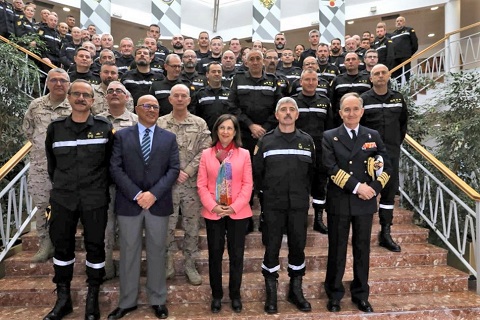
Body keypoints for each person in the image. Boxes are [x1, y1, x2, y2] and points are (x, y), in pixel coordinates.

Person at [44, 79, 114, 320]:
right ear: (69, 97)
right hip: (63, 198)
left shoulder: (105, 128)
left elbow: (110, 164)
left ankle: (92, 298)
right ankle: (63, 299)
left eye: (86, 95)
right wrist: (64, 187)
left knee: (95, 246)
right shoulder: (55, 128)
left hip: (94, 198)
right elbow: (51, 165)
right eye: (77, 94)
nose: (81, 98)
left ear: (93, 100)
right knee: (62, 246)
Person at [108, 94, 179, 320]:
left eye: (156, 106)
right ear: (136, 108)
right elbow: (115, 168)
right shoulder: (121, 136)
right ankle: (127, 301)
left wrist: (153, 194)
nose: (152, 109)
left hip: (158, 203)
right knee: (129, 252)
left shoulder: (168, 138)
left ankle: (157, 299)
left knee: (158, 251)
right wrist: (138, 194)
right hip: (130, 203)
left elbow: (173, 169)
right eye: (147, 105)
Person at [322, 92, 392, 314]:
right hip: (340, 200)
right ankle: (334, 294)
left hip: (365, 201)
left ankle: (361, 294)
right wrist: (357, 187)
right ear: (340, 113)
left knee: (362, 250)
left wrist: (373, 189)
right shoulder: (329, 136)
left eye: (355, 109)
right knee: (337, 250)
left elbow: (386, 166)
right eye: (347, 109)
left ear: (362, 112)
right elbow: (330, 168)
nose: (351, 113)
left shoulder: (373, 135)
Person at [253, 97, 314, 314]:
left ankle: (295, 290)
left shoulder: (307, 141)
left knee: (298, 247)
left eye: (291, 110)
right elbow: (257, 173)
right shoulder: (266, 142)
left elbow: (312, 174)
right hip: (273, 205)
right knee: (271, 248)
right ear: (277, 115)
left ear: (297, 115)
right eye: (283, 109)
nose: (287, 113)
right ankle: (271, 294)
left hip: (298, 206)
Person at [197, 114, 253, 314]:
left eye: (230, 128)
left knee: (236, 255)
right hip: (214, 213)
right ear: (216, 131)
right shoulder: (206, 154)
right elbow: (201, 185)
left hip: (238, 212)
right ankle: (217, 295)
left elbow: (248, 184)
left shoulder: (244, 154)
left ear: (235, 131)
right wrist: (213, 206)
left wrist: (234, 206)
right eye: (222, 128)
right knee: (215, 255)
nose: (226, 132)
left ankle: (235, 295)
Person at [157, 84, 212, 286]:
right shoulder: (161, 123)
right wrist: (172, 172)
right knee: (167, 226)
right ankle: (168, 263)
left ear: (189, 100)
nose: (180, 99)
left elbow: (206, 150)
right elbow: (156, 152)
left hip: (191, 185)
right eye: (176, 96)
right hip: (167, 186)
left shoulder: (199, 123)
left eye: (184, 96)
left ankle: (190, 264)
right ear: (170, 99)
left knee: (192, 226)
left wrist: (187, 170)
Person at [22, 68, 71, 263]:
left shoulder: (75, 106)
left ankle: (64, 242)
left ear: (68, 84)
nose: (58, 84)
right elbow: (28, 131)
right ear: (47, 83)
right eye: (54, 80)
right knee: (42, 206)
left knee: (67, 208)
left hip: (67, 168)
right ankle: (45, 243)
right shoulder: (36, 106)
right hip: (41, 167)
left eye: (63, 80)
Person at [361, 64, 408, 252]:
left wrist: (395, 143)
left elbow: (403, 123)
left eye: (383, 73)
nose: (380, 76)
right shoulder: (364, 99)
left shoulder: (398, 98)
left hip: (390, 154)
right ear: (370, 78)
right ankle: (362, 232)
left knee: (388, 193)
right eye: (376, 74)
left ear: (388, 76)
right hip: (368, 154)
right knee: (366, 191)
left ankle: (385, 232)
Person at [98, 81, 138, 280]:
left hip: (129, 186)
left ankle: (127, 270)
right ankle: (106, 268)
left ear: (127, 97)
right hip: (102, 185)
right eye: (110, 91)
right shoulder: (96, 121)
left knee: (128, 230)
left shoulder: (137, 122)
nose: (114, 93)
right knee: (105, 228)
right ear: (105, 97)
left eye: (119, 91)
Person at [292, 69, 333, 234]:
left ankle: (318, 218)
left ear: (318, 82)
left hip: (320, 151)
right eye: (307, 79)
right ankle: (298, 219)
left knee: (319, 185)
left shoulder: (325, 102)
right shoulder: (293, 102)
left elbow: (330, 128)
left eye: (313, 79)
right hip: (297, 151)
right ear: (301, 82)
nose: (310, 82)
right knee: (298, 185)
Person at [391, 16, 418, 84]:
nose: (399, 22)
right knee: (396, 75)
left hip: (405, 56)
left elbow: (415, 43)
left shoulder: (409, 30)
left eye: (400, 21)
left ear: (404, 22)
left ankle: (408, 86)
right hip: (396, 57)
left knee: (406, 73)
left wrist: (409, 53)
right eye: (397, 21)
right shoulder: (393, 34)